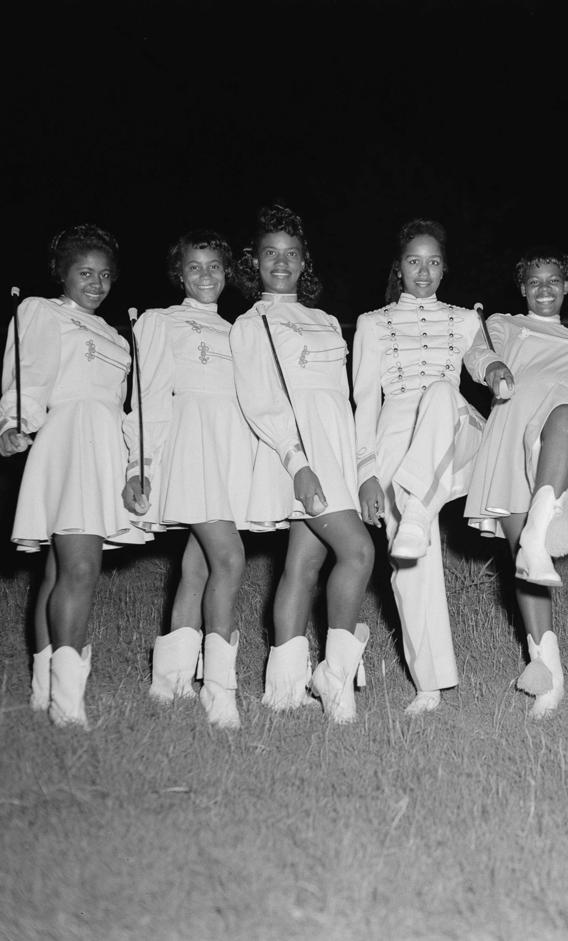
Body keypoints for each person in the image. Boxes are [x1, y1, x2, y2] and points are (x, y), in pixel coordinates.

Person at [0, 224, 145, 729]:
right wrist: (14, 426)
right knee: (80, 571)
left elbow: (124, 408)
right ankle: (67, 703)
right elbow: (28, 378)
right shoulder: (42, 311)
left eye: (105, 275)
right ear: (63, 273)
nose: (97, 283)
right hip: (66, 443)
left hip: (102, 447)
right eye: (85, 273)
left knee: (60, 572)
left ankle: (44, 694)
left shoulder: (113, 334)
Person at [229, 205, 374, 723]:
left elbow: (340, 398)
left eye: (291, 253)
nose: (281, 262)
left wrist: (361, 467)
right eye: (270, 253)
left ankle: (282, 688)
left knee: (303, 564)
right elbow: (262, 400)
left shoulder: (327, 319)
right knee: (357, 551)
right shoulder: (252, 323)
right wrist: (299, 463)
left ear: (304, 260)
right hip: (296, 455)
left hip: (334, 451)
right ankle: (333, 679)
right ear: (255, 262)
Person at [463, 247, 568, 718]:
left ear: (567, 286)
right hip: (512, 436)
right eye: (535, 281)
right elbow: (476, 353)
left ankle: (541, 519)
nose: (545, 288)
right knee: (526, 565)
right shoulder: (504, 325)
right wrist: (493, 368)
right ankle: (548, 678)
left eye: (554, 280)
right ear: (523, 287)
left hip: (561, 440)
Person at [122, 230, 254, 729]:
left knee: (198, 568)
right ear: (179, 273)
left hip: (227, 452)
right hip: (190, 448)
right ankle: (219, 690)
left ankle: (170, 682)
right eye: (194, 267)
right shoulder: (161, 322)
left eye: (214, 266)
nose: (206, 276)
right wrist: (141, 465)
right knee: (230, 558)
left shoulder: (236, 329)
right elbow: (149, 398)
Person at [353, 220, 484, 714]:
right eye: (413, 261)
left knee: (442, 391)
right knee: (412, 562)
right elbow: (364, 401)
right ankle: (429, 685)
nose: (423, 271)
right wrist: (366, 472)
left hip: (454, 430)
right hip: (393, 439)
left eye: (433, 262)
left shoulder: (466, 319)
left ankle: (415, 508)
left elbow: (487, 362)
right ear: (399, 267)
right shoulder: (372, 323)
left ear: (444, 267)